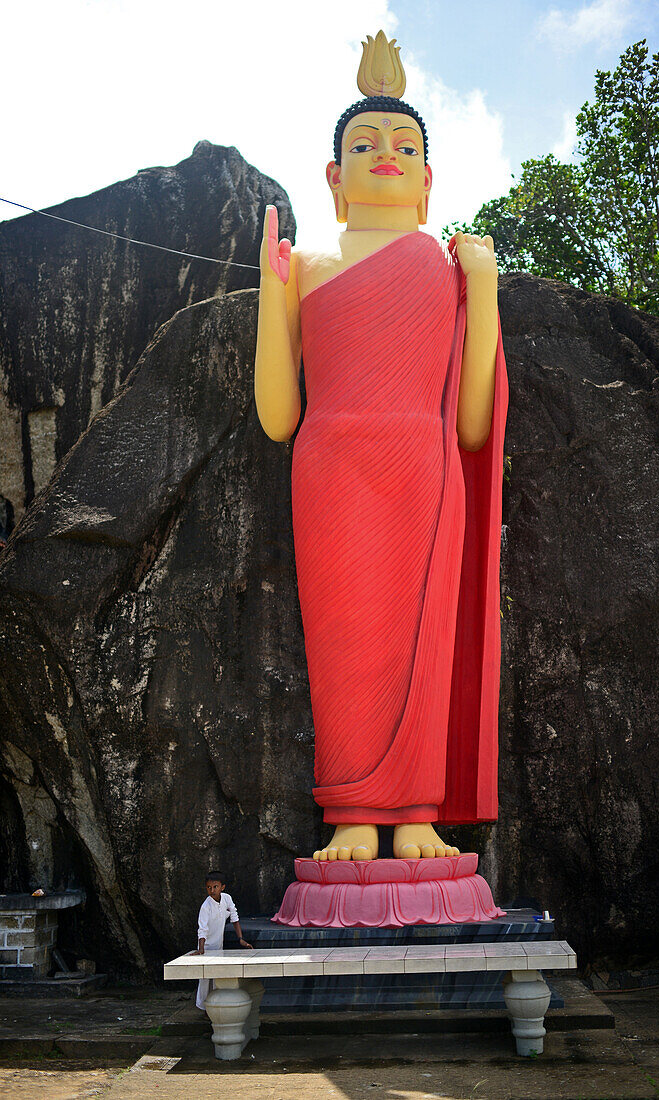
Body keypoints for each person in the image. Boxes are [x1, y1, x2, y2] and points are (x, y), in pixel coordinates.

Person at [255, 32, 508, 863]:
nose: (386, 155)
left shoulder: (444, 266)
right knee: (345, 639)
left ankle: (418, 815)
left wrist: (485, 288)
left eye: (404, 146)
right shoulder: (311, 266)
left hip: (426, 473)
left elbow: (473, 424)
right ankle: (354, 813)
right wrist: (270, 287)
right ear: (334, 177)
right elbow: (278, 417)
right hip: (331, 470)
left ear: (429, 178)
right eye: (364, 145)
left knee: (422, 640)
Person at [194, 872, 252, 1011]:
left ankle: (214, 1006)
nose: (212, 890)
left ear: (222, 887)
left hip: (218, 945)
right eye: (209, 887)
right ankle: (202, 1008)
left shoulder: (227, 899)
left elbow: (234, 918)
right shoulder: (205, 906)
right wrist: (201, 949)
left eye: (215, 887)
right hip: (206, 946)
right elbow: (202, 929)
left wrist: (241, 939)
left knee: (216, 977)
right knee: (204, 979)